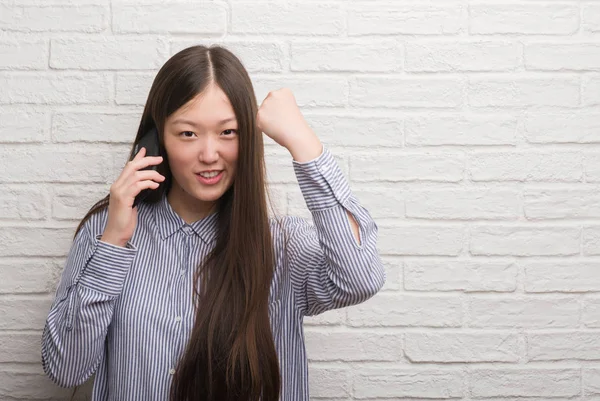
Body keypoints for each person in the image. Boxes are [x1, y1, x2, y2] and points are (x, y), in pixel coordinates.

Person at [41, 45, 386, 401]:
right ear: (158, 139)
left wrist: (304, 143)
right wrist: (112, 244)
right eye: (188, 134)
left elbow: (360, 279)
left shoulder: (284, 246)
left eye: (228, 132)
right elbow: (66, 368)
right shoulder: (106, 231)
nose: (209, 155)